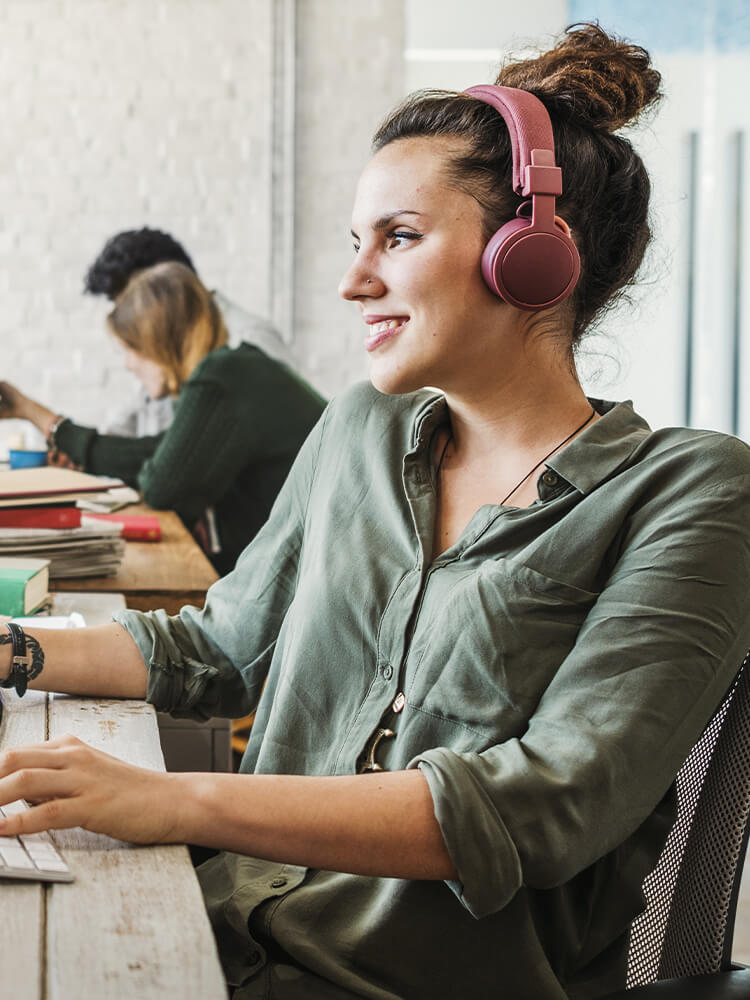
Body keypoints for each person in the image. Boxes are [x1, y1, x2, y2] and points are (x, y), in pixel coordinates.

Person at [0, 22, 748, 1000]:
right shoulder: (360, 428)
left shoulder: (693, 490)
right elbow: (221, 648)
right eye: (357, 242)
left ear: (532, 256)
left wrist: (174, 801)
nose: (355, 282)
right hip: (228, 940)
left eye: (398, 238)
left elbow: (541, 807)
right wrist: (13, 647)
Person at [0, 261, 326, 574]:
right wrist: (31, 412)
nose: (128, 365)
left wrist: (42, 420)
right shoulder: (233, 372)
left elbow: (162, 486)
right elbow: (160, 453)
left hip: (301, 583)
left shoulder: (222, 376)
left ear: (158, 341)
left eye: (130, 349)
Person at [84, 226, 294, 437]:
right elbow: (136, 423)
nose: (126, 318)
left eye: (130, 302)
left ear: (165, 288)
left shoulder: (252, 341)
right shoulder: (166, 350)